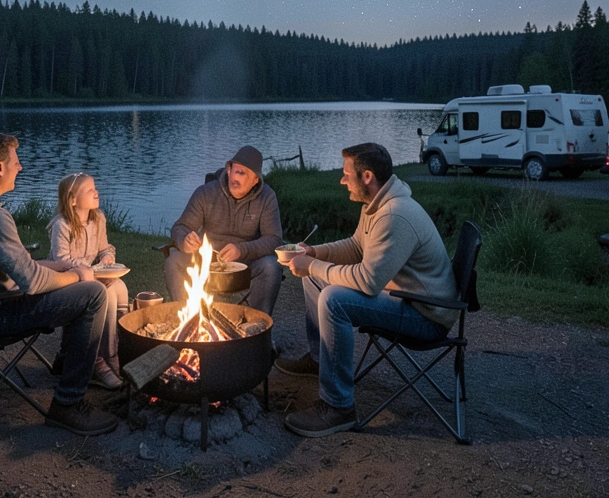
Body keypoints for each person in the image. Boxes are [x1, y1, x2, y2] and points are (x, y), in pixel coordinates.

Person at [0, 132, 119, 436]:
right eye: (15, 161)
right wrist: (77, 275)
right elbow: (32, 282)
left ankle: (68, 363)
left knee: (81, 288)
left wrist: (60, 264)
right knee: (92, 293)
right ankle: (68, 404)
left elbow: (20, 267)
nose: (20, 167)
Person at [274, 142, 458, 438]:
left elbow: (368, 281)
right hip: (405, 297)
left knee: (334, 299)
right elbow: (356, 246)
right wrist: (315, 253)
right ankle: (320, 360)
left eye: (347, 174)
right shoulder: (376, 206)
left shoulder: (394, 215)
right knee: (314, 279)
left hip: (425, 315)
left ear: (367, 177)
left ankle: (338, 407)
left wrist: (311, 265)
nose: (342, 180)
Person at [165, 145, 284, 315]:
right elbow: (180, 227)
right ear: (228, 170)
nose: (235, 178)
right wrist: (185, 240)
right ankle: (188, 321)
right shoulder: (206, 193)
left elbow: (274, 239)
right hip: (207, 263)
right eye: (233, 171)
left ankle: (258, 326)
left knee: (271, 266)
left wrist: (241, 249)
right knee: (174, 260)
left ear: (255, 180)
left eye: (242, 174)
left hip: (246, 265)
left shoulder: (267, 197)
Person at [48, 172, 126, 390]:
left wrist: (107, 257)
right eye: (90, 190)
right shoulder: (61, 225)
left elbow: (104, 247)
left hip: (93, 275)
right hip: (69, 279)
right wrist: (89, 268)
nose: (96, 192)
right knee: (107, 294)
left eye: (95, 188)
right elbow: (60, 260)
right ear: (73, 199)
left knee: (120, 288)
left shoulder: (97, 219)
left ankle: (117, 352)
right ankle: (101, 360)